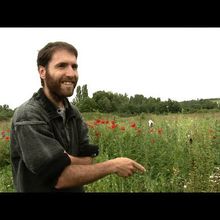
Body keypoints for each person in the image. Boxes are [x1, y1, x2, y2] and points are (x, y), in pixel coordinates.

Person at [10, 41, 146, 192]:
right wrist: (112, 165)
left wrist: (64, 159)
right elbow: (59, 178)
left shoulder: (73, 113)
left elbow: (88, 159)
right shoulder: (29, 115)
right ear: (42, 71)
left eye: (74, 66)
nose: (71, 73)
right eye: (61, 66)